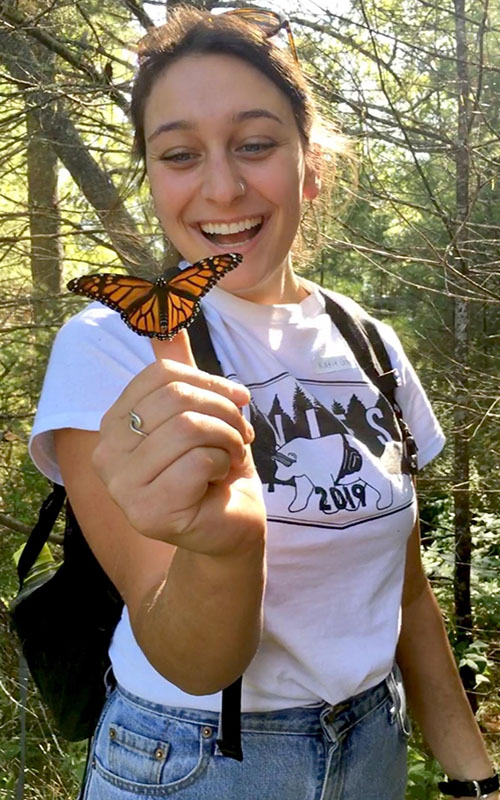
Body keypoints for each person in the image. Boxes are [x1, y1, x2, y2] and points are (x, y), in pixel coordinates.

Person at [29, 6, 498, 799]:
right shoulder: (113, 347)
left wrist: (474, 776)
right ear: (152, 176)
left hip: (373, 742)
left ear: (309, 165)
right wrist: (224, 548)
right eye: (180, 153)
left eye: (254, 143)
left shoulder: (371, 344)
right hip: (193, 759)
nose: (222, 185)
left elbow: (406, 592)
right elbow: (192, 659)